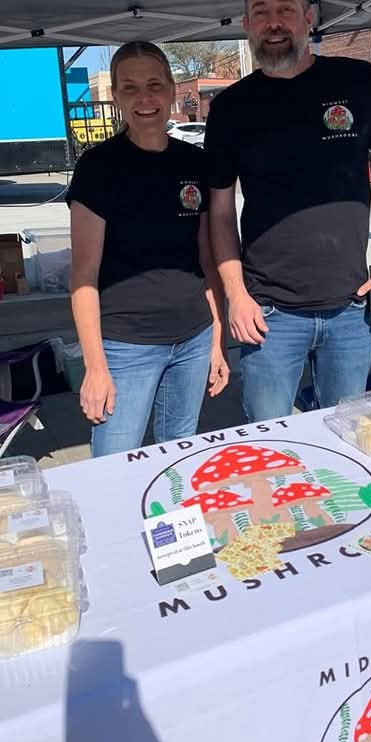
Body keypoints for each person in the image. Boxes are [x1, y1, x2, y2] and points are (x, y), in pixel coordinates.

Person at [205, 0, 371, 421]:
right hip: (268, 315)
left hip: (350, 309)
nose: (274, 23)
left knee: (347, 439)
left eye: (285, 10)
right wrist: (235, 293)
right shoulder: (230, 108)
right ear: (246, 25)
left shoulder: (359, 82)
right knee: (271, 444)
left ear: (308, 18)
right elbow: (219, 212)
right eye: (261, 13)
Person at [68, 41, 228, 456]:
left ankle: (168, 524)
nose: (145, 98)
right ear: (115, 96)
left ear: (173, 90)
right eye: (131, 87)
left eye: (155, 84)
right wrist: (95, 366)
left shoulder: (195, 162)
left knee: (178, 459)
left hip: (193, 339)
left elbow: (206, 260)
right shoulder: (98, 168)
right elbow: (83, 276)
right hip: (126, 346)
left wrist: (216, 340)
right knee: (113, 464)